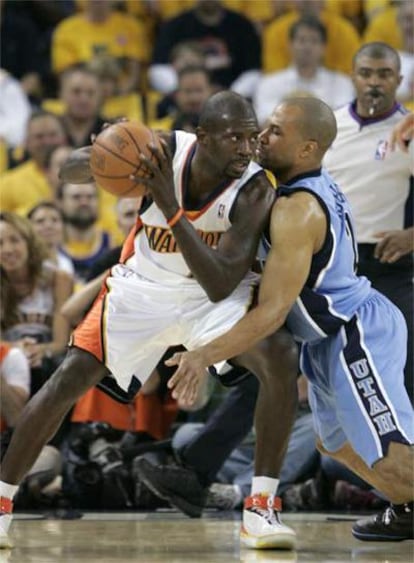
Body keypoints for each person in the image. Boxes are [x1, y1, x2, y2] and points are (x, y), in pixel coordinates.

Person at [0, 91, 298, 550]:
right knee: (66, 379)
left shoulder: (256, 188)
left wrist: (170, 206)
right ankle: (2, 503)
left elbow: (220, 282)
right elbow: (69, 170)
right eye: (233, 137)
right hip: (142, 288)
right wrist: (104, 149)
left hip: (210, 299)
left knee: (279, 356)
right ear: (202, 138)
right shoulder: (162, 151)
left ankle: (261, 509)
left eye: (250, 137)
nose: (245, 147)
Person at [161, 97, 414, 543]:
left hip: (355, 331)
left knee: (389, 453)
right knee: (335, 445)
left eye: (276, 130)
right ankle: (408, 508)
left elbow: (273, 311)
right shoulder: (290, 183)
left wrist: (202, 356)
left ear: (306, 149)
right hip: (324, 338)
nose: (261, 136)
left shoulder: (298, 210)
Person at [323, 43, 413, 402]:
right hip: (331, 266)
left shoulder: (407, 130)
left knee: (407, 366)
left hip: (389, 263)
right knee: (322, 371)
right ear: (353, 77)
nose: (374, 82)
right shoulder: (329, 126)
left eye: (384, 74)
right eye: (367, 73)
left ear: (399, 80)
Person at [0, 212, 73, 396]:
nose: (7, 249)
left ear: (29, 243)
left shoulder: (58, 279)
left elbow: (61, 342)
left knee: (55, 366)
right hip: (9, 357)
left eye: (14, 240)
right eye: (0, 244)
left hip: (50, 359)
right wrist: (16, 348)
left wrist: (41, 351)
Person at [253, 16, 355, 126]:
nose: (307, 46)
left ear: (323, 48)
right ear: (290, 45)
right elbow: (264, 121)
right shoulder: (269, 83)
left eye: (314, 41)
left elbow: (344, 121)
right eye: (302, 40)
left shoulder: (342, 83)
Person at [27, 201, 74, 277]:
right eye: (40, 221)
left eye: (55, 220)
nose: (49, 226)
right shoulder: (25, 263)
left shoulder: (66, 261)